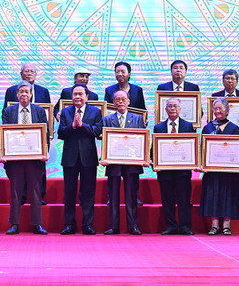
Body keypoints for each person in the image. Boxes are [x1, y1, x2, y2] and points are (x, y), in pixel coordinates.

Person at [1, 81, 49, 235]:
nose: (24, 94)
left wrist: (45, 152)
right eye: (21, 91)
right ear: (17, 94)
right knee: (15, 192)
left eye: (27, 92)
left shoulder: (39, 111)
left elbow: (45, 134)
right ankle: (14, 224)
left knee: (35, 192)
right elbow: (5, 134)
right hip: (15, 159)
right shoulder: (8, 111)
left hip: (34, 158)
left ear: (31, 94)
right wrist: (4, 153)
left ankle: (37, 224)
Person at [3, 63, 52, 206]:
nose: (29, 73)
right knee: (18, 176)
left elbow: (46, 127)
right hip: (16, 146)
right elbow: (5, 126)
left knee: (38, 173)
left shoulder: (43, 94)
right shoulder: (10, 96)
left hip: (36, 146)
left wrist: (45, 150)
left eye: (32, 71)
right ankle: (21, 199)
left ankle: (39, 198)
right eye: (27, 71)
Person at [57, 84, 102, 235]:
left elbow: (97, 131)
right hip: (70, 158)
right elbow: (61, 133)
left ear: (87, 96)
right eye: (75, 94)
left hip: (88, 158)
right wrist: (72, 126)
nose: (77, 97)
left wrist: (83, 125)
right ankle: (69, 224)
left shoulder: (95, 111)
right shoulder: (65, 112)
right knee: (69, 192)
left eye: (80, 94)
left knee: (88, 193)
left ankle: (87, 225)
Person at [100, 90, 146, 235]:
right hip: (113, 163)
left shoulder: (138, 119)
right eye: (117, 99)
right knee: (113, 196)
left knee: (131, 196)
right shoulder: (107, 120)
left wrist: (144, 158)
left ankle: (133, 226)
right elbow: (105, 141)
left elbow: (142, 140)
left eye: (123, 99)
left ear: (129, 101)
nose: (120, 101)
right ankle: (114, 226)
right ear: (113, 102)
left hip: (132, 163)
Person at [200, 97, 239, 235]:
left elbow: (238, 149)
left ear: (227, 110)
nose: (217, 111)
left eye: (220, 108)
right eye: (215, 108)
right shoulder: (208, 127)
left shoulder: (234, 128)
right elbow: (202, 148)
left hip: (229, 171)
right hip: (212, 170)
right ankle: (214, 225)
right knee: (212, 195)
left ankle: (226, 225)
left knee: (228, 195)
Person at [153, 97, 196, 235]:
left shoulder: (188, 126)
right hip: (165, 171)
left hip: (182, 172)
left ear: (180, 109)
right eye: (169, 106)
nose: (172, 108)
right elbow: (154, 149)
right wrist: (154, 161)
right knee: (167, 200)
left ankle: (185, 227)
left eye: (175, 106)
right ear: (165, 110)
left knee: (184, 200)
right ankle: (171, 226)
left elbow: (192, 147)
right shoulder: (158, 127)